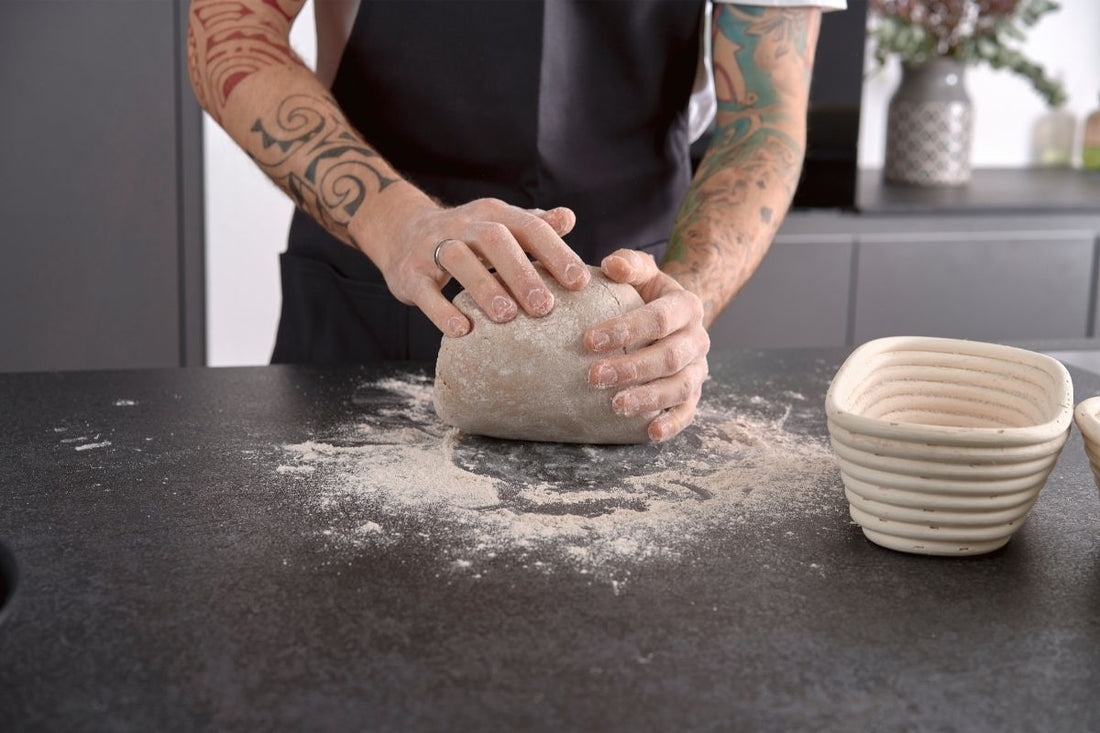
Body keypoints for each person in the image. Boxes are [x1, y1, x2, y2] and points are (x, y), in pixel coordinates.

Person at [187, 0, 840, 442]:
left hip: (628, 304)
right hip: (371, 283)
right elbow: (227, 33)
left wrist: (683, 298)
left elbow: (764, 121)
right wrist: (400, 223)